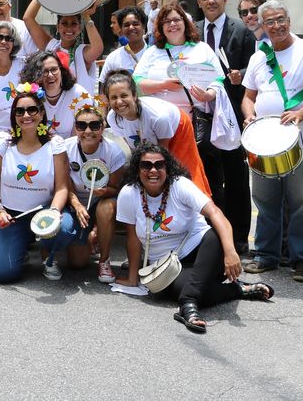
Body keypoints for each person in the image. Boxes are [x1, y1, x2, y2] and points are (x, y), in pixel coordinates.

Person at [115, 142, 273, 334]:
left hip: (203, 252)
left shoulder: (180, 185)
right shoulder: (128, 194)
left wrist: (231, 252)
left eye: (160, 165)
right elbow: (132, 238)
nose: (153, 170)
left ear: (168, 167)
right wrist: (133, 278)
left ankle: (187, 307)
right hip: (167, 265)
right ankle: (236, 290)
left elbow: (215, 213)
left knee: (215, 235)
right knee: (195, 289)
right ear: (137, 169)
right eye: (146, 165)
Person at [241, 0, 303, 282]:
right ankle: (266, 255)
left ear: (289, 21)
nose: (276, 26)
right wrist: (249, 116)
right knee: (266, 201)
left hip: (300, 140)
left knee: (301, 202)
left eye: (280, 19)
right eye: (269, 22)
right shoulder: (259, 56)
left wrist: (302, 112)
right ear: (263, 26)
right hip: (264, 142)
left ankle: (302, 260)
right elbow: (248, 96)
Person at [0, 86, 74, 283]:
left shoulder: (55, 144)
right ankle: (20, 249)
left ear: (41, 113)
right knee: (1, 273)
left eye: (32, 109)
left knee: (64, 228)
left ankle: (47, 256)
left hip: (44, 211)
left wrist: (53, 214)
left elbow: (62, 188)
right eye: (20, 111)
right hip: (12, 215)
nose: (26, 115)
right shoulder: (3, 142)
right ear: (14, 115)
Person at [195, 0, 257, 253]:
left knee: (236, 178)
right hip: (201, 116)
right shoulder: (192, 31)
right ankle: (210, 234)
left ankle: (240, 237)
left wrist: (240, 74)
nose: (211, 1)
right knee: (207, 177)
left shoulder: (242, 31)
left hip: (231, 114)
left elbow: (255, 68)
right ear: (199, 2)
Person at [104, 70, 211, 196]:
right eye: (114, 98)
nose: (119, 102)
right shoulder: (112, 118)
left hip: (177, 126)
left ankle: (196, 204)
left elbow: (162, 155)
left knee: (183, 172)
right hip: (151, 135)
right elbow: (133, 148)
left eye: (124, 96)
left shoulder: (157, 117)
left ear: (134, 95)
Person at [62, 104, 127, 283]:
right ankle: (87, 238)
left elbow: (116, 189)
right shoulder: (65, 149)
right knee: (77, 262)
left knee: (107, 207)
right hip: (75, 202)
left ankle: (104, 260)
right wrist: (76, 205)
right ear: (75, 128)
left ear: (102, 127)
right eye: (82, 126)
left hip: (100, 203)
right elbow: (63, 186)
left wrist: (104, 191)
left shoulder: (113, 151)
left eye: (94, 125)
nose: (88, 131)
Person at [134, 2, 225, 113]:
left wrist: (208, 95)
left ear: (185, 22)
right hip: (159, 119)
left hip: (195, 121)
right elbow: (136, 83)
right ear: (161, 26)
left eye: (177, 20)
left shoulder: (203, 48)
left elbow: (218, 80)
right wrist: (163, 85)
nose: (172, 24)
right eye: (167, 21)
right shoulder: (151, 52)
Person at [24, 0, 103, 88]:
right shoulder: (51, 46)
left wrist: (86, 17)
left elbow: (98, 49)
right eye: (64, 23)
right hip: (54, 101)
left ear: (80, 28)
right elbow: (28, 18)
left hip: (79, 101)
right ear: (57, 26)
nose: (69, 28)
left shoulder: (82, 52)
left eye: (74, 24)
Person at [20, 50, 91, 139]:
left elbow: (79, 137)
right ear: (36, 75)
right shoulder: (30, 97)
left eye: (54, 70)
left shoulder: (79, 94)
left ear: (62, 71)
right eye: (44, 71)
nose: (50, 75)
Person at [100, 6, 149, 81]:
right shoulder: (113, 58)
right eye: (126, 25)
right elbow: (103, 88)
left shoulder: (155, 54)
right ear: (121, 29)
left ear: (144, 27)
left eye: (135, 24)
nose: (131, 27)